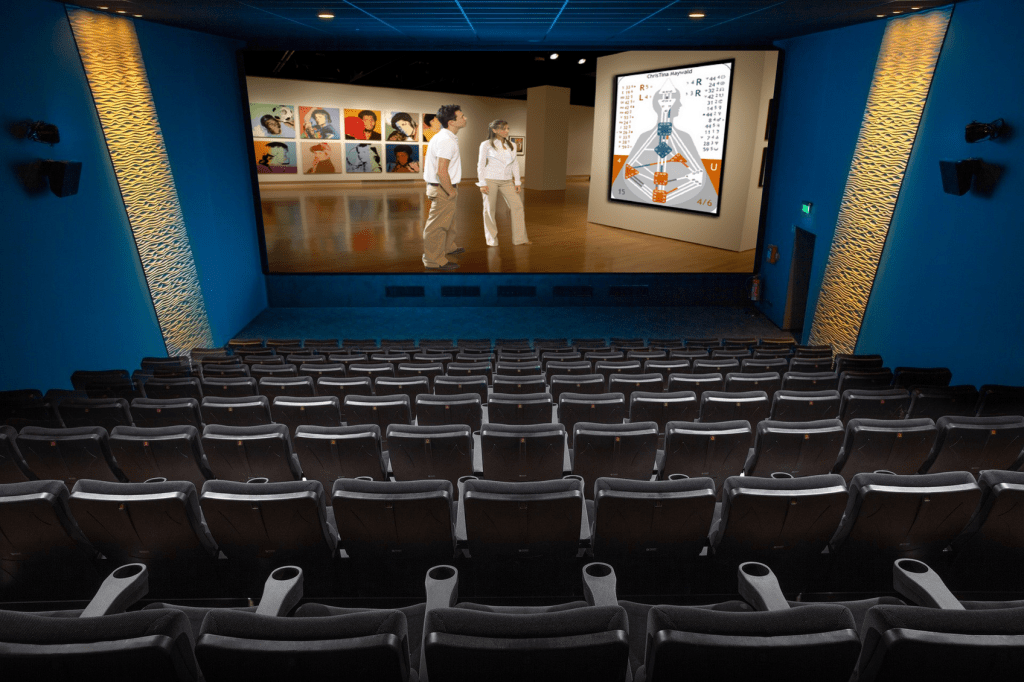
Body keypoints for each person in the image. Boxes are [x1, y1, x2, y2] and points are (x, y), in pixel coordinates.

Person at [422, 104, 467, 271]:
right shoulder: (446, 141)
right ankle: (433, 260)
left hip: (442, 186)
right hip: (443, 188)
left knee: (449, 221)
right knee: (437, 226)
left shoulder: (446, 137)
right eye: (462, 116)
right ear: (451, 122)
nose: (465, 118)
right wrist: (451, 191)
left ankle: (448, 247)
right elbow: (441, 171)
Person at [477, 119, 530, 246]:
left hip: (507, 181)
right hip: (490, 180)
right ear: (494, 130)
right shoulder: (486, 144)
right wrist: (482, 183)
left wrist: (517, 182)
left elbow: (515, 164)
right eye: (503, 129)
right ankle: (492, 240)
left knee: (518, 206)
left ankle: (520, 239)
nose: (506, 131)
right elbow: (481, 164)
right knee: (489, 209)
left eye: (507, 128)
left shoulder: (512, 145)